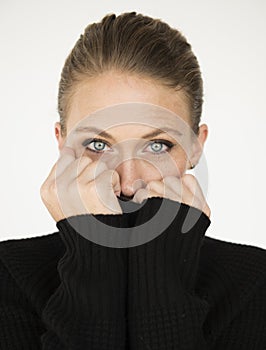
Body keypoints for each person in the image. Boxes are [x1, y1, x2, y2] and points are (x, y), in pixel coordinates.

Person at [0, 11, 266, 350]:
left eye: (157, 146)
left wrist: (162, 274)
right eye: (98, 145)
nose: (127, 184)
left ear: (196, 147)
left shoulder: (255, 282)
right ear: (62, 142)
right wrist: (93, 246)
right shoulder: (7, 275)